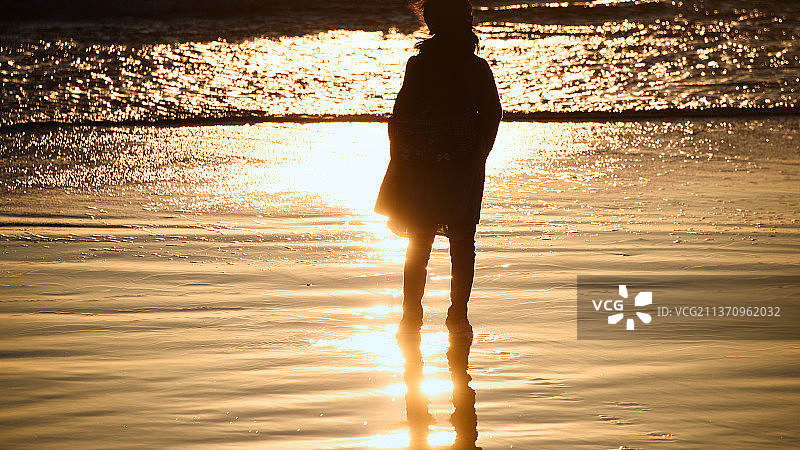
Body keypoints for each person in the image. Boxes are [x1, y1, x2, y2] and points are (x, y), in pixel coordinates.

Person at [375, 0, 502, 337]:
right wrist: (478, 154)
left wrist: (400, 157)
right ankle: (457, 316)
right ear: (466, 21)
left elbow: (399, 116)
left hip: (423, 162)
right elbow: (492, 115)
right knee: (462, 240)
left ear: (431, 23)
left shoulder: (420, 65)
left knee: (420, 239)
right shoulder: (475, 68)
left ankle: (412, 315)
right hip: (460, 161)